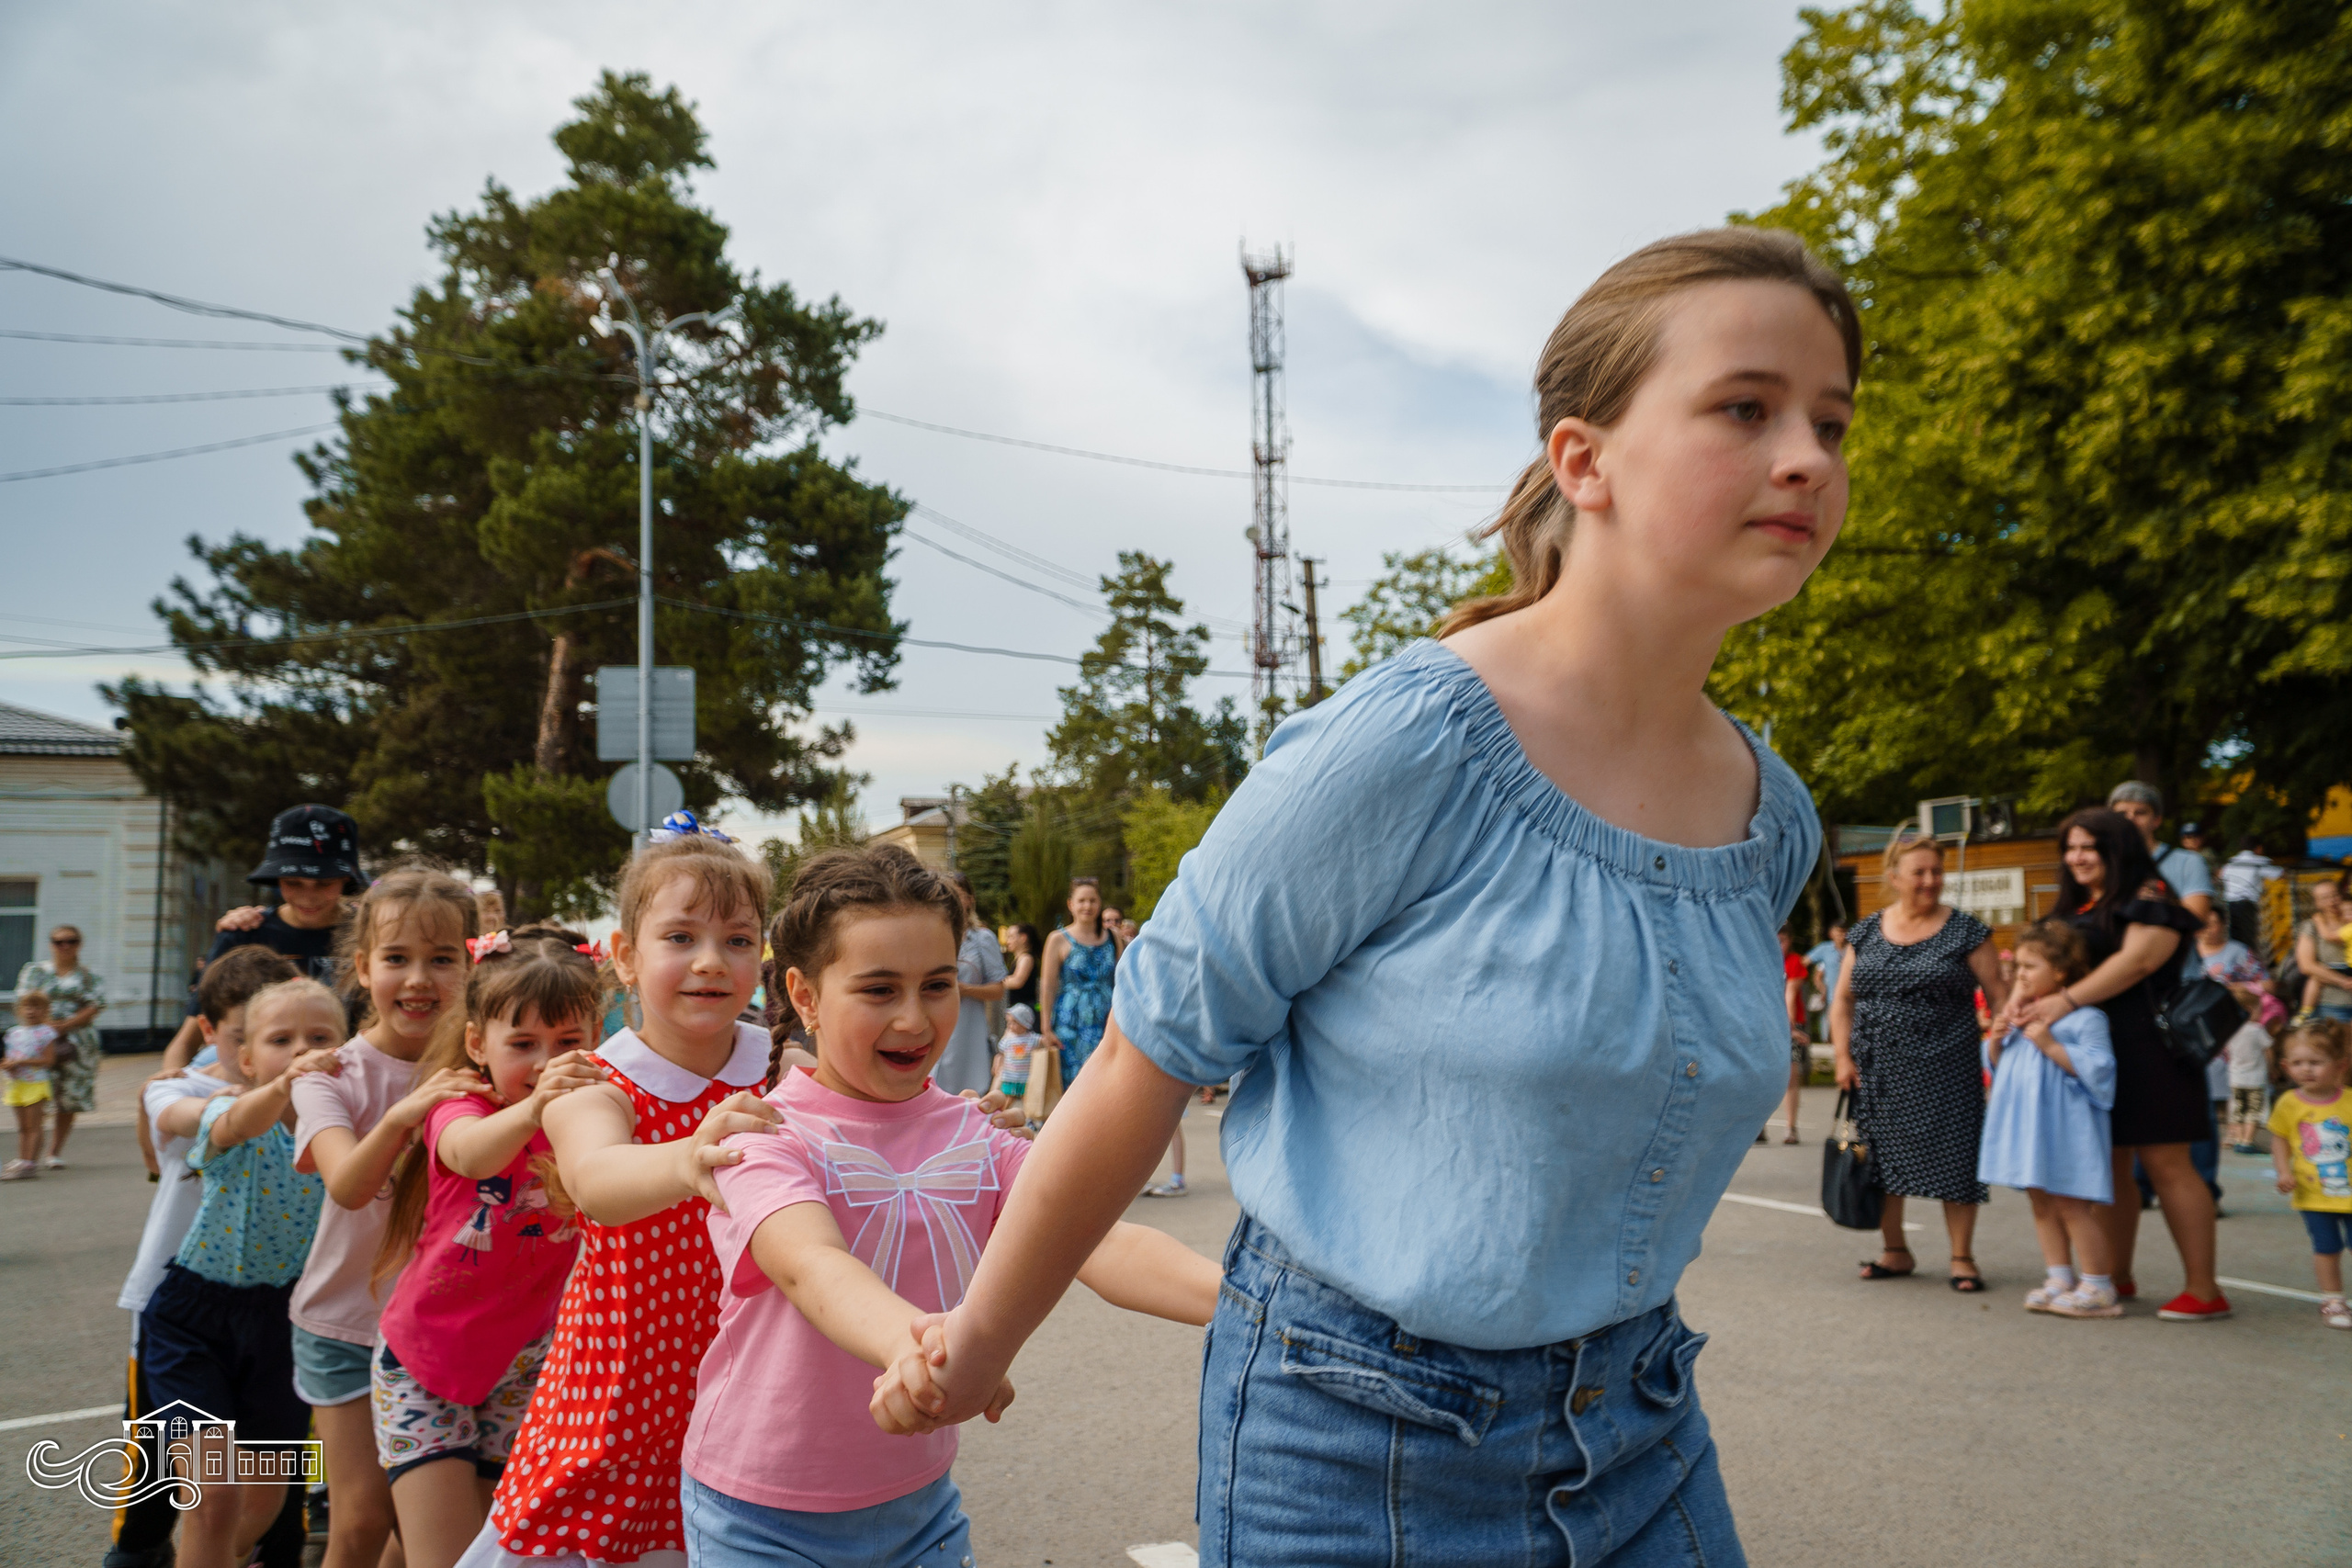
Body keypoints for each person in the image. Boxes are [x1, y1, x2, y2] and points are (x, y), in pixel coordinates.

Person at [879, 227, 1860, 1565]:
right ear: (1585, 460)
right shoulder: (1408, 742)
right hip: (1354, 1442)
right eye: (1745, 408)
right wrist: (973, 1342)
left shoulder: (1775, 814)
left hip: (1642, 1426)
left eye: (1829, 419)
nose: (1806, 455)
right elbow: (1138, 1056)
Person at [684, 847, 1215, 1564]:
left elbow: (1101, 1239)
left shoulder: (976, 1130)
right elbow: (813, 1265)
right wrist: (933, 1349)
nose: (915, 1017)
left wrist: (1251, 1304)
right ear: (805, 995)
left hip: (921, 1505)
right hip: (759, 1515)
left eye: (937, 984)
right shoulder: (765, 1133)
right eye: (878, 989)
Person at [370, 929, 605, 1568]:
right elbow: (470, 1152)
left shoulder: (597, 1119)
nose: (545, 1063)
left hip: (524, 1369)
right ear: (478, 1042)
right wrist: (533, 1114)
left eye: (567, 1043)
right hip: (425, 1367)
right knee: (446, 1556)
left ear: (596, 1037)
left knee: (477, 1549)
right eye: (523, 1044)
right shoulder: (461, 1104)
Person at [285, 864, 478, 1568]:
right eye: (397, 959)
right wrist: (405, 1114)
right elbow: (346, 1183)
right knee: (362, 1521)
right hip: (344, 1326)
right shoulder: (327, 1075)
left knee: (421, 1529)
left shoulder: (482, 1066)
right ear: (363, 968)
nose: (420, 979)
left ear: (472, 962)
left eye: (442, 959)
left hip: (443, 1331)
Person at [142, 977, 342, 1568]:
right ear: (248, 1060)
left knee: (261, 1500)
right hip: (193, 1321)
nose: (303, 1049)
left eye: (320, 1037)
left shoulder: (343, 1132)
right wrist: (282, 1087)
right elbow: (236, 1127)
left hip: (284, 1325)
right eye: (282, 1040)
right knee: (212, 1494)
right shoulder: (233, 1112)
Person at [109, 946, 297, 1568]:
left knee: (270, 1490)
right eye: (252, 1035)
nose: (278, 1051)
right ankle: (138, 1552)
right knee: (172, 1478)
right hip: (181, 1310)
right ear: (215, 1034)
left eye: (293, 1034)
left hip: (280, 1312)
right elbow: (196, 1126)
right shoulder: (184, 1087)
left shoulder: (317, 1095)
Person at [2018, 807, 2220, 1320]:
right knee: (2106, 1167)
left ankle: (2204, 1290)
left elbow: (2139, 961)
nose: (2077, 857)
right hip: (2091, 1053)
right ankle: (2113, 1276)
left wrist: (2064, 1003)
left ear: (2119, 848)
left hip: (2150, 1049)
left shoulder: (2150, 896)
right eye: (2070, 847)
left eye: (2089, 846)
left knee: (2167, 1165)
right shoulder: (2077, 903)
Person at [1832, 832, 2008, 1291]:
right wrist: (1841, 1057)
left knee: (1955, 1159)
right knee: (1882, 1160)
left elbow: (2001, 999)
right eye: (1920, 872)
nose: (1930, 881)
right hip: (1878, 1069)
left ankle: (1962, 1257)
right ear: (1894, 878)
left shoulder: (1967, 931)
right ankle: (1895, 1251)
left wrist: (2002, 1056)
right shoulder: (1867, 931)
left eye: (1937, 871)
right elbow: (1842, 1002)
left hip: (1948, 1067)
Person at [1978, 920, 2120, 1317]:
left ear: (2061, 972)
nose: (2019, 975)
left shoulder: (2086, 1018)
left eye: (2030, 967)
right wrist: (1996, 1039)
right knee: (2040, 1202)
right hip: (2031, 1127)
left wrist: (2050, 1045)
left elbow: (2100, 1070)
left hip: (2066, 1128)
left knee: (2072, 1205)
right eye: (2017, 967)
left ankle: (2097, 1284)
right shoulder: (2019, 1015)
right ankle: (2059, 1276)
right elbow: (1997, 1068)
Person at [161, 804, 364, 1072]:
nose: (308, 896)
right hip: (258, 1085)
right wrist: (165, 1090)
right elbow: (190, 1035)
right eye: (293, 883)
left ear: (346, 879)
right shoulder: (243, 935)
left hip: (349, 1077)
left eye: (324, 883)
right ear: (277, 878)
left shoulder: (369, 932)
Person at [2267, 1021, 2351, 1329]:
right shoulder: (2289, 1103)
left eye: (2316, 1063)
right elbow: (2280, 1139)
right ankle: (2332, 1299)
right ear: (2286, 1066)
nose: (2306, 1070)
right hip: (2314, 1195)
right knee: (2326, 1247)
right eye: (2299, 1063)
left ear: (2339, 1065)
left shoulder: (2349, 1101)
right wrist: (2283, 1171)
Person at [14, 923, 105, 1168]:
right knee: (38, 1094)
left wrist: (64, 1025)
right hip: (39, 1042)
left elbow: (96, 1005)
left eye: (71, 941)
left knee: (69, 1098)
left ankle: (54, 1152)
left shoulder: (88, 976)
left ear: (79, 944)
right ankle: (30, 1152)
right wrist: (47, 1025)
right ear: (50, 945)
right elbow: (25, 999)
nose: (65, 946)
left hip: (78, 1044)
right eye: (58, 941)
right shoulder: (36, 971)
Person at [2107, 781, 2215, 977]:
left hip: (2178, 979)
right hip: (2116, 979)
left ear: (2156, 820)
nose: (2130, 819)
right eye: (2122, 814)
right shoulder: (2101, 866)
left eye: (2140, 813)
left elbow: (2196, 919)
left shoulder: (2188, 862)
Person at [1037, 875, 1117, 1087]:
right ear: (1071, 904)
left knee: (1106, 1086)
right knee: (1074, 1086)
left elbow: (1121, 981)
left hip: (1106, 1022)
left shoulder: (1113, 938)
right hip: (1070, 1024)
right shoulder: (1058, 939)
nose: (1087, 906)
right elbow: (1048, 985)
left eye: (1092, 900)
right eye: (1082, 901)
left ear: (1099, 903)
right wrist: (1046, 1028)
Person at [937, 871, 1005, 1097]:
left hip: (968, 1028)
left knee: (967, 1094)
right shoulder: (931, 935)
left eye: (958, 894)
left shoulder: (982, 939)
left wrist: (966, 989)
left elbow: (998, 990)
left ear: (969, 899)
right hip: (933, 1024)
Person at [3, 989, 57, 1181]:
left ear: (45, 1010)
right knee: (23, 1127)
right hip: (17, 1084)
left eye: (37, 1007)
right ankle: (22, 1159)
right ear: (20, 1010)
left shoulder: (46, 1032)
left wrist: (22, 1062)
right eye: (27, 1007)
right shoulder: (13, 1033)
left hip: (36, 1084)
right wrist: (8, 1065)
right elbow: (9, 1058)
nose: (31, 1011)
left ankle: (29, 1163)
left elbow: (49, 1060)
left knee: (34, 1126)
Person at [2295, 875, 2352, 1022]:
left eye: (2335, 895)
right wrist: (2344, 981)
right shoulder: (2311, 926)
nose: (2332, 901)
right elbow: (2306, 966)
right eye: (2325, 898)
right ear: (2317, 903)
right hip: (2332, 1003)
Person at [1770, 925, 1807, 1143]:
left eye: (1783, 940)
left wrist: (1790, 1028)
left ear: (1790, 941)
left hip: (1791, 1023)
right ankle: (1758, 1129)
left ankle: (1790, 1128)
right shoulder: (1764, 962)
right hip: (1767, 1024)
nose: (1779, 945)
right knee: (1761, 1075)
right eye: (1776, 940)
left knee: (1791, 1077)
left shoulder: (1794, 962)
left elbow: (1791, 995)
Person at [2223, 1011, 2279, 1153]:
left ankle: (2239, 1138)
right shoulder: (2257, 1030)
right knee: (2253, 1110)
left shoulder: (2230, 1030)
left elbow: (2227, 1051)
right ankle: (2247, 1142)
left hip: (2235, 1078)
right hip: (2255, 1079)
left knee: (2239, 1109)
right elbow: (2268, 1050)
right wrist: (2271, 1068)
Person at [2219, 836, 2281, 951]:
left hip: (2230, 906)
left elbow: (2221, 875)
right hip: (2246, 905)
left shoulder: (2231, 862)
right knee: (2248, 941)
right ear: (2258, 848)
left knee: (2234, 940)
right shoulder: (2258, 862)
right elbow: (2279, 874)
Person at [992, 1002, 1041, 1105]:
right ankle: (1001, 1114)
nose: (1010, 1026)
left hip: (1025, 1077)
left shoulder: (1032, 1038)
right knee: (1007, 1098)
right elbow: (1001, 1052)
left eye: (1014, 1022)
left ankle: (1029, 1118)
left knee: (1027, 1098)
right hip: (1010, 1076)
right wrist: (998, 1064)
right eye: (1008, 1022)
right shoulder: (1008, 1039)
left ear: (1025, 1024)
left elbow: (1044, 1042)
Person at [1804, 920, 1848, 1037]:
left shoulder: (1852, 950)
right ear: (1831, 933)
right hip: (1830, 998)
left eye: (1844, 932)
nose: (1841, 935)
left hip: (1850, 998)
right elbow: (1804, 962)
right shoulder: (1825, 949)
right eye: (1838, 932)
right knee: (1829, 1029)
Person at [999, 923, 1039, 1015]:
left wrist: (997, 982)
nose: (1007, 941)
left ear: (1023, 938)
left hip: (1025, 1011)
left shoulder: (1026, 958)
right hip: (1017, 1010)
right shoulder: (1017, 960)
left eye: (1011, 937)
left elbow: (1017, 981)